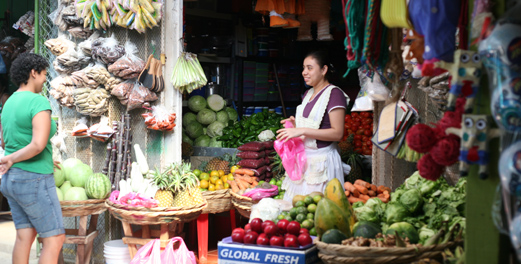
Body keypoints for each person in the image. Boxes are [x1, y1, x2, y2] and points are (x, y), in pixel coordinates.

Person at [0, 53, 65, 264]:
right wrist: (12, 159)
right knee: (54, 238)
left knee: (24, 236)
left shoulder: (9, 103)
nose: (45, 79)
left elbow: (6, 142)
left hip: (11, 180)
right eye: (44, 74)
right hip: (34, 180)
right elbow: (37, 144)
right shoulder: (38, 102)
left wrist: (14, 159)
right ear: (33, 73)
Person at [276, 50, 351, 202]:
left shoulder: (334, 94)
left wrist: (302, 130)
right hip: (304, 160)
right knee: (298, 210)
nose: (304, 72)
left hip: (322, 161)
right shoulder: (307, 94)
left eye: (310, 68)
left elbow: (337, 133)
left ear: (323, 70)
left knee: (319, 211)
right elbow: (315, 124)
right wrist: (296, 125)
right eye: (304, 68)